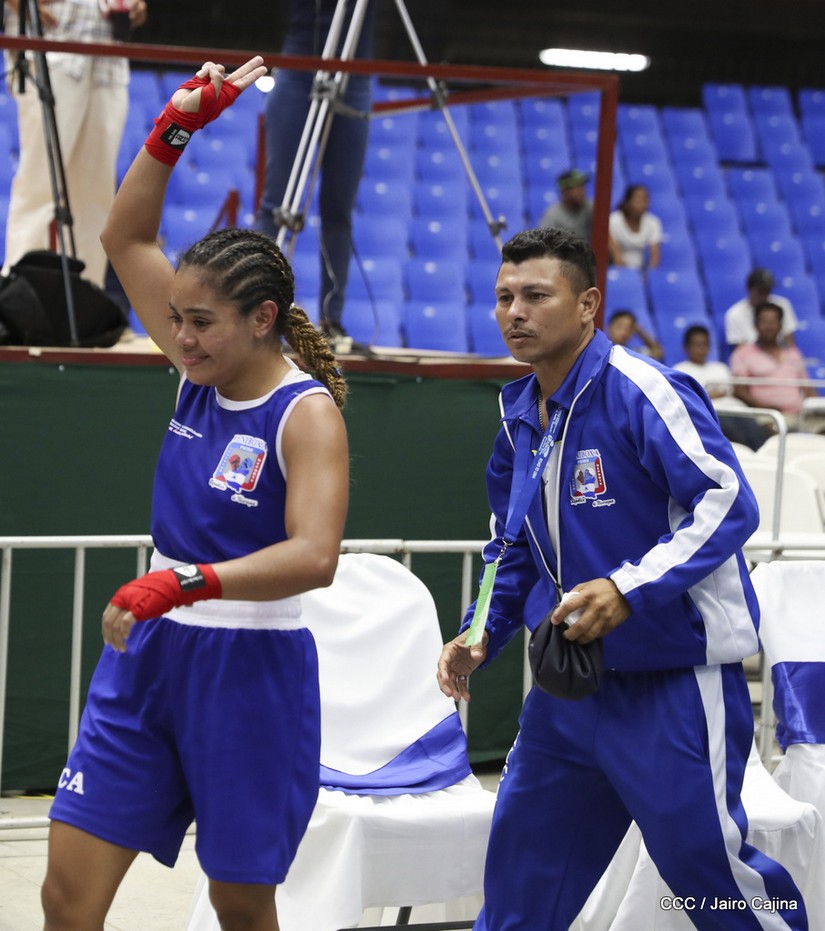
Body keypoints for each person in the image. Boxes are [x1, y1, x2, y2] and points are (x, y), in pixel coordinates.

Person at [39, 57, 350, 931]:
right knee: (65, 895)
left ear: (261, 318)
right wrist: (174, 126)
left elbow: (315, 555)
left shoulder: (305, 414)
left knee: (240, 904)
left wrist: (184, 581)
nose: (178, 336)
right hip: (148, 652)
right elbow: (124, 238)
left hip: (249, 668)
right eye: (174, 318)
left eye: (199, 322)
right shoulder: (197, 365)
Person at [436, 227, 807, 930]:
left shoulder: (643, 388)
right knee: (520, 881)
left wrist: (627, 589)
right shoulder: (517, 417)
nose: (515, 312)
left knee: (712, 877)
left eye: (535, 295)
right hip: (567, 694)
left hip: (670, 684)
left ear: (587, 304)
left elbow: (728, 499)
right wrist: (478, 631)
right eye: (504, 297)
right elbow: (509, 546)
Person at [2, 0, 148, 289]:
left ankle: (86, 297)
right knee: (41, 185)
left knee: (97, 194)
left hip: (109, 60)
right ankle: (18, 297)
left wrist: (136, 7)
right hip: (53, 51)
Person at [256, 0, 376, 351]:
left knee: (339, 210)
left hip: (354, 71)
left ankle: (330, 321)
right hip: (299, 66)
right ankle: (258, 312)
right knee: (276, 204)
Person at [730, 301, 824, 434]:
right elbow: (739, 391)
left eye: (773, 322)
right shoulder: (742, 353)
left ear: (780, 326)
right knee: (777, 433)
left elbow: (807, 388)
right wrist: (765, 408)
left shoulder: (793, 352)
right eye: (764, 322)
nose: (769, 327)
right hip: (768, 417)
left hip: (801, 414)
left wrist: (818, 408)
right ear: (755, 325)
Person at [673, 323, 771, 450]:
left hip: (737, 409)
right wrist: (710, 395)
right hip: (712, 413)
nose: (701, 349)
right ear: (686, 348)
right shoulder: (680, 370)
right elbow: (686, 399)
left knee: (757, 431)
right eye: (697, 345)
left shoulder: (720, 368)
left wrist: (709, 393)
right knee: (736, 434)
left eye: (705, 345)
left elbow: (731, 390)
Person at [724, 267, 798, 350]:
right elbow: (740, 351)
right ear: (749, 289)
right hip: (751, 356)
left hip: (780, 354)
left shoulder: (782, 305)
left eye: (768, 290)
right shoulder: (734, 315)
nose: (765, 295)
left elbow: (789, 343)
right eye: (761, 291)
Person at [608, 183, 662, 270]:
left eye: (645, 200)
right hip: (617, 268)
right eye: (638, 200)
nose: (643, 204)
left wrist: (649, 275)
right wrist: (630, 276)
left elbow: (654, 259)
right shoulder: (613, 221)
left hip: (641, 269)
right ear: (627, 202)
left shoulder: (653, 222)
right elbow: (616, 256)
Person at [539, 168, 593, 242]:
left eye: (582, 187)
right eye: (578, 188)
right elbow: (545, 243)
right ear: (565, 192)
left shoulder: (590, 207)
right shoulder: (552, 216)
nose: (582, 192)